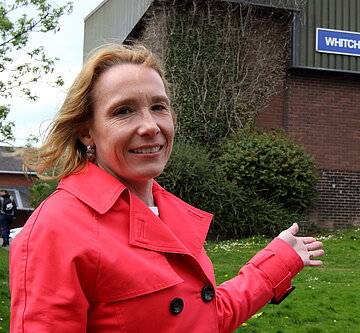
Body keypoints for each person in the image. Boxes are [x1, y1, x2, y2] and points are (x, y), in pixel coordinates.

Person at [10, 44, 325, 332]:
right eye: (123, 111)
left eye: (159, 107)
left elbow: (206, 317)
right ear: (86, 133)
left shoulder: (171, 214)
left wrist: (279, 260)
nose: (150, 126)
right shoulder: (57, 229)